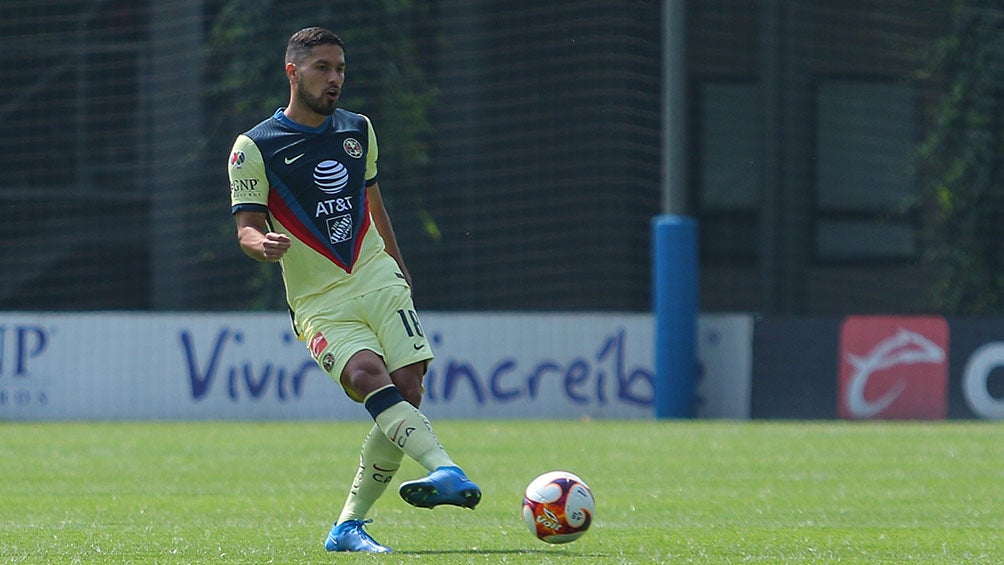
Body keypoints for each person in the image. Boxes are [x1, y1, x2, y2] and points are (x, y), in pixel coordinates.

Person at [227, 26, 480, 554]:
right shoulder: (254, 147)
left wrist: (399, 266)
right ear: (292, 72)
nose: (335, 78)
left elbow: (373, 204)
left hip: (376, 277)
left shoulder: (358, 130)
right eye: (323, 68)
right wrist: (260, 244)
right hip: (319, 301)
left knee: (408, 389)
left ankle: (347, 528)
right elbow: (246, 225)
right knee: (368, 376)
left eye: (340, 68)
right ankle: (446, 469)